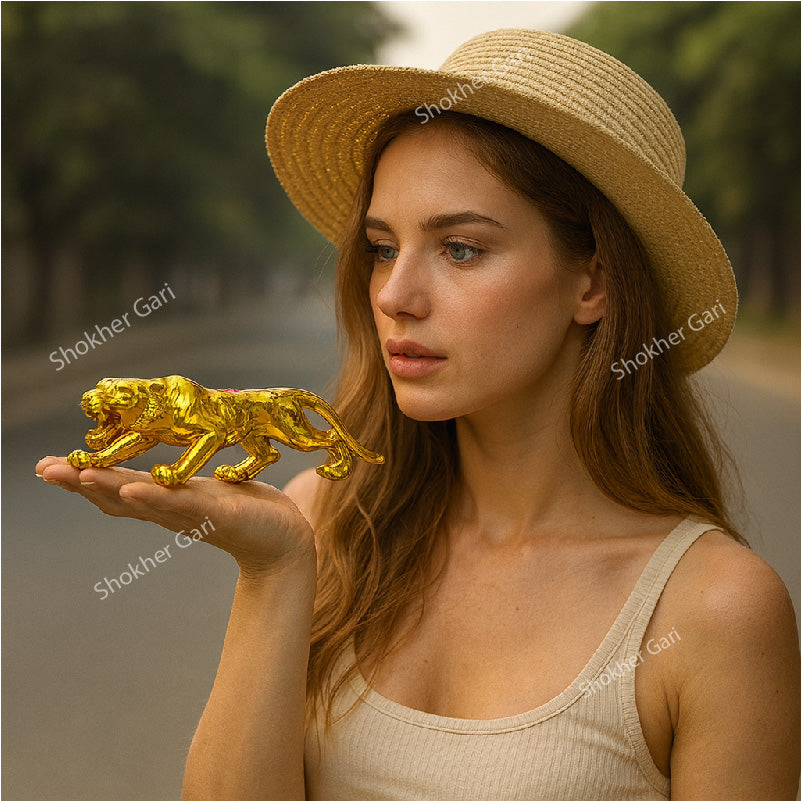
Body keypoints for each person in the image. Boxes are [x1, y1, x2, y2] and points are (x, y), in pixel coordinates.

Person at [37, 28, 801, 801]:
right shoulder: (323, 521)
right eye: (380, 247)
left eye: (460, 248)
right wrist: (271, 571)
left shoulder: (713, 610)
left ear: (592, 283)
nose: (393, 296)